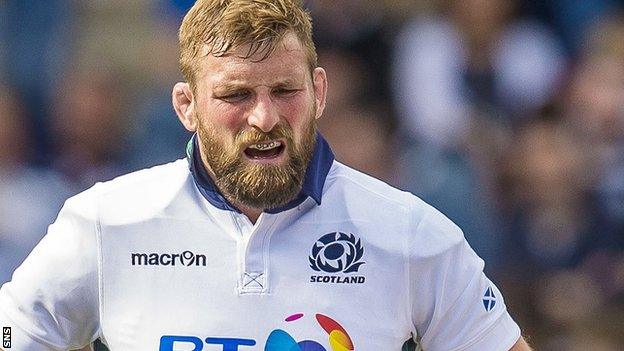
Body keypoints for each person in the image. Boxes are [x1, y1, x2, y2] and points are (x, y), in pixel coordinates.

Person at [0, 0, 531, 350]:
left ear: (319, 92)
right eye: (235, 94)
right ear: (186, 105)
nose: (264, 117)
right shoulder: (105, 221)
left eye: (285, 91)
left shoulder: (412, 233)